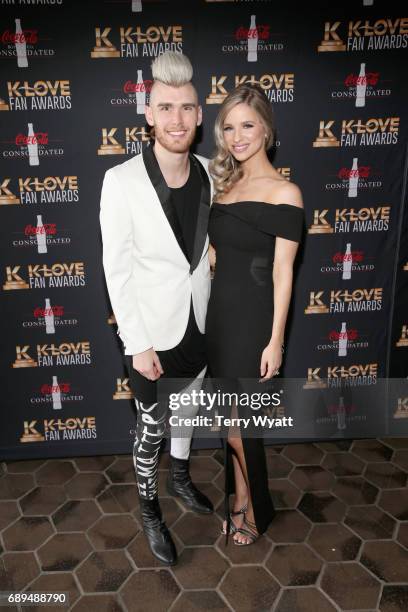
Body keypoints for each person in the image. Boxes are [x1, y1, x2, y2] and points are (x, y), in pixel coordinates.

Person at [99, 52, 213, 566]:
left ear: (199, 114)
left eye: (186, 108)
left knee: (188, 409)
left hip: (199, 322)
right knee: (152, 429)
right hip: (149, 336)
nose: (176, 119)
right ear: (147, 113)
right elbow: (116, 272)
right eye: (165, 107)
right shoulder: (120, 182)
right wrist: (137, 344)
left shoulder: (213, 172)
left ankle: (183, 477)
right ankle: (149, 509)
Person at [206, 83, 305, 545]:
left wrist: (275, 340)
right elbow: (212, 256)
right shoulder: (223, 185)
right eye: (229, 127)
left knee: (242, 429)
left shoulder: (286, 192)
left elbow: (284, 272)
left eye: (247, 124)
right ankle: (242, 500)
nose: (237, 135)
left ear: (266, 128)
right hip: (219, 320)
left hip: (253, 324)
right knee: (230, 427)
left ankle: (255, 510)